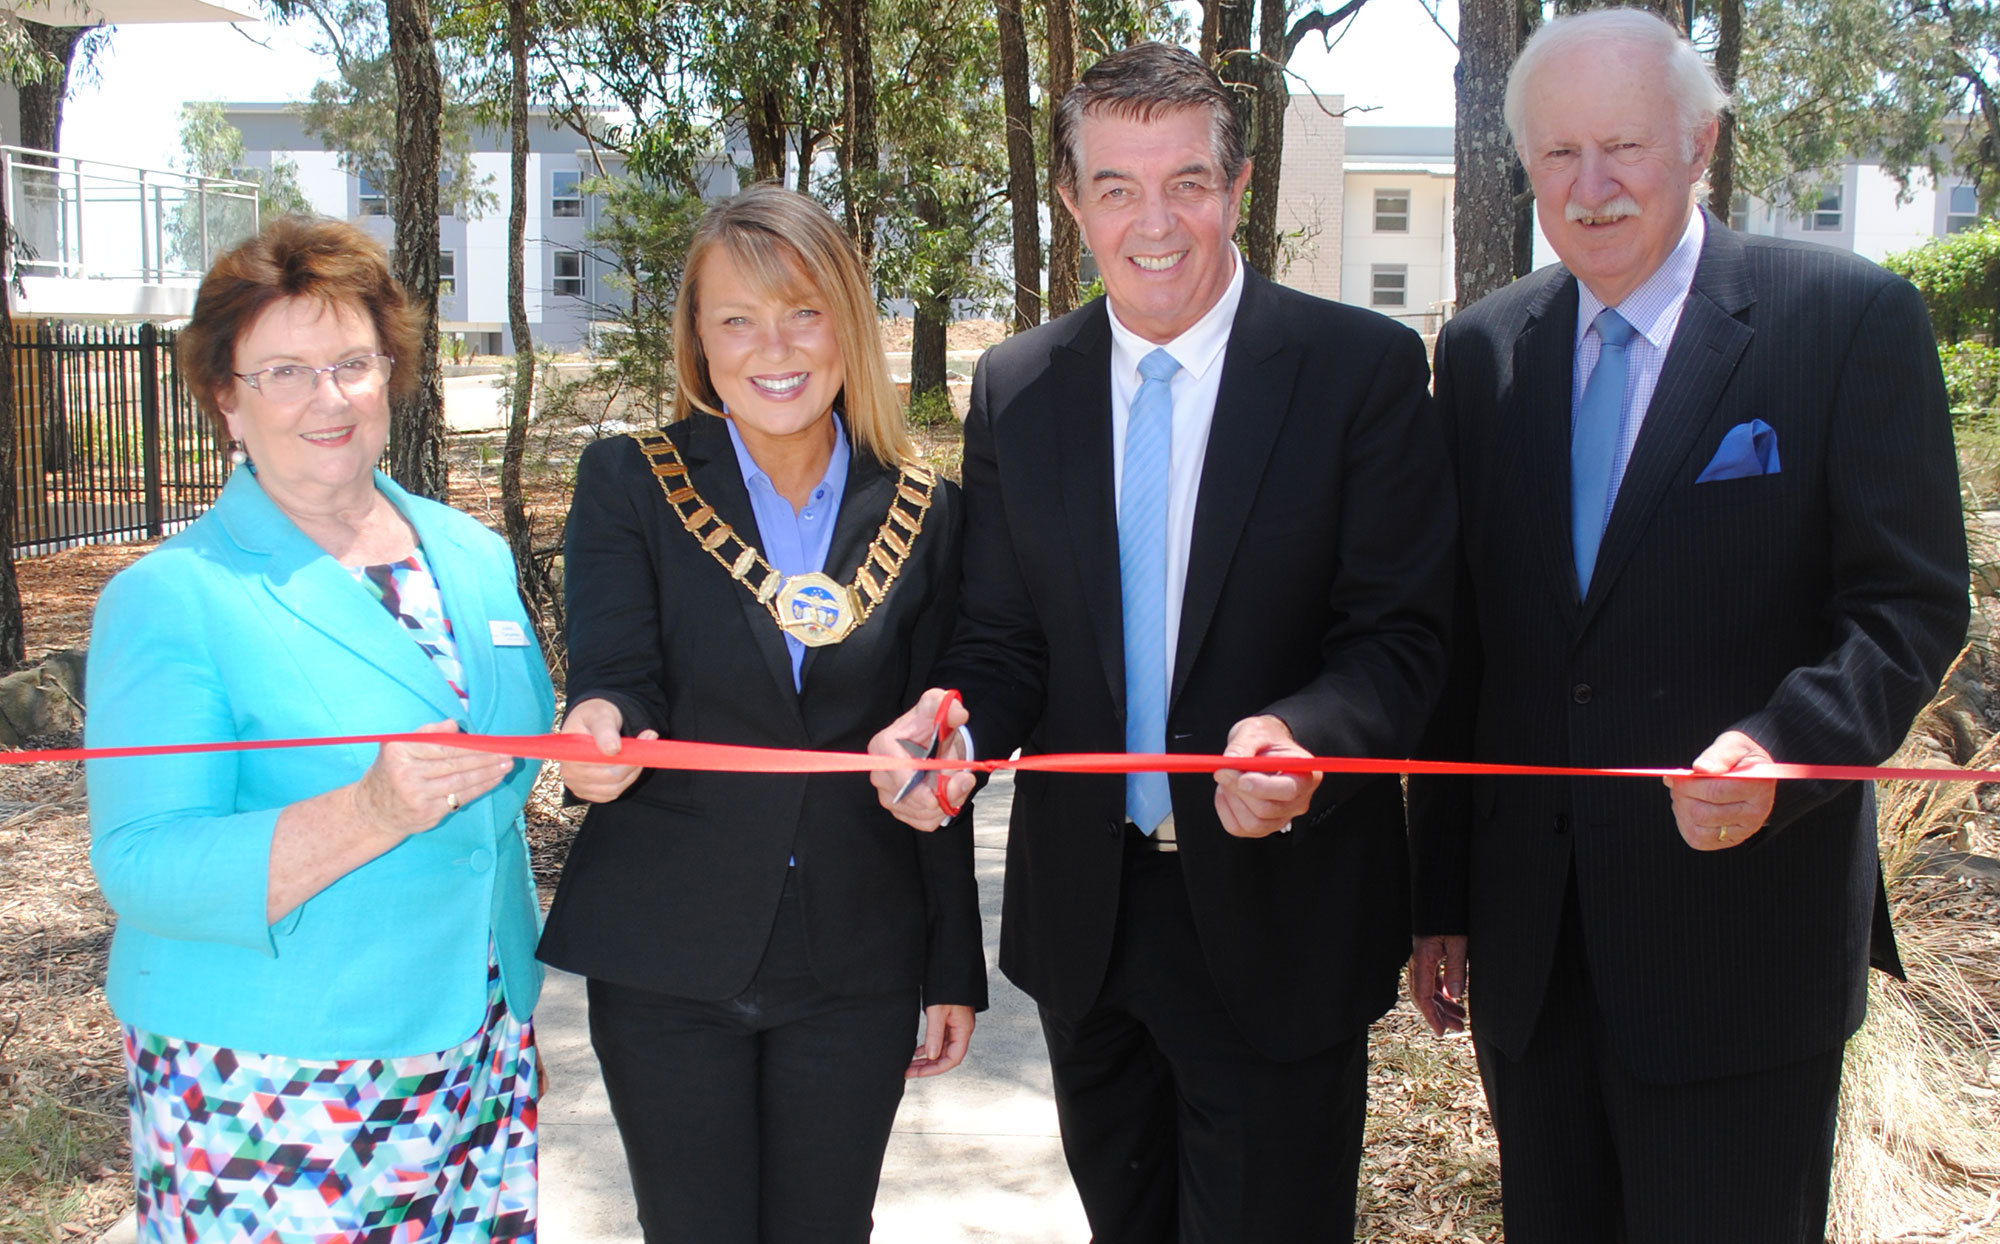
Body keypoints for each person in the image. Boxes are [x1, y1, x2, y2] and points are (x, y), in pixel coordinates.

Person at [870, 42, 1454, 1244]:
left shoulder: (1361, 371)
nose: (1155, 221)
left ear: (1236, 191)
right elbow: (1003, 636)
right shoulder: (1020, 385)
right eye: (1117, 187)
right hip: (1090, 923)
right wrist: (954, 728)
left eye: (1185, 181)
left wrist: (1308, 737)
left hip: (1280, 916)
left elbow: (1399, 638)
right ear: (1074, 202)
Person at [1406, 10, 1970, 1242]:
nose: (1591, 187)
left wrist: (1784, 745)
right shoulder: (1483, 352)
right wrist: (1437, 892)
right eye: (1557, 155)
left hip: (1739, 946)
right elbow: (1464, 645)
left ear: (1699, 141)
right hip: (1532, 950)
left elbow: (1908, 602)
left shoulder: (1843, 320)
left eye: (1623, 148)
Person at [86, 216, 556, 1243]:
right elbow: (143, 864)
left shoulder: (469, 554)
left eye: (352, 361)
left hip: (477, 1052)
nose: (328, 396)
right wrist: (368, 810)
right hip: (272, 1080)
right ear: (227, 398)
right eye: (286, 370)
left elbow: (508, 774)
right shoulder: (170, 597)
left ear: (391, 372)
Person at [537, 183, 985, 1244]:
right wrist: (595, 729)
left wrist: (949, 964)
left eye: (801, 311)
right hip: (668, 951)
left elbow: (937, 748)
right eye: (735, 316)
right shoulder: (628, 482)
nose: (770, 345)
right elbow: (616, 673)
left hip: (856, 958)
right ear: (697, 337)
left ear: (845, 323)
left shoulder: (926, 510)